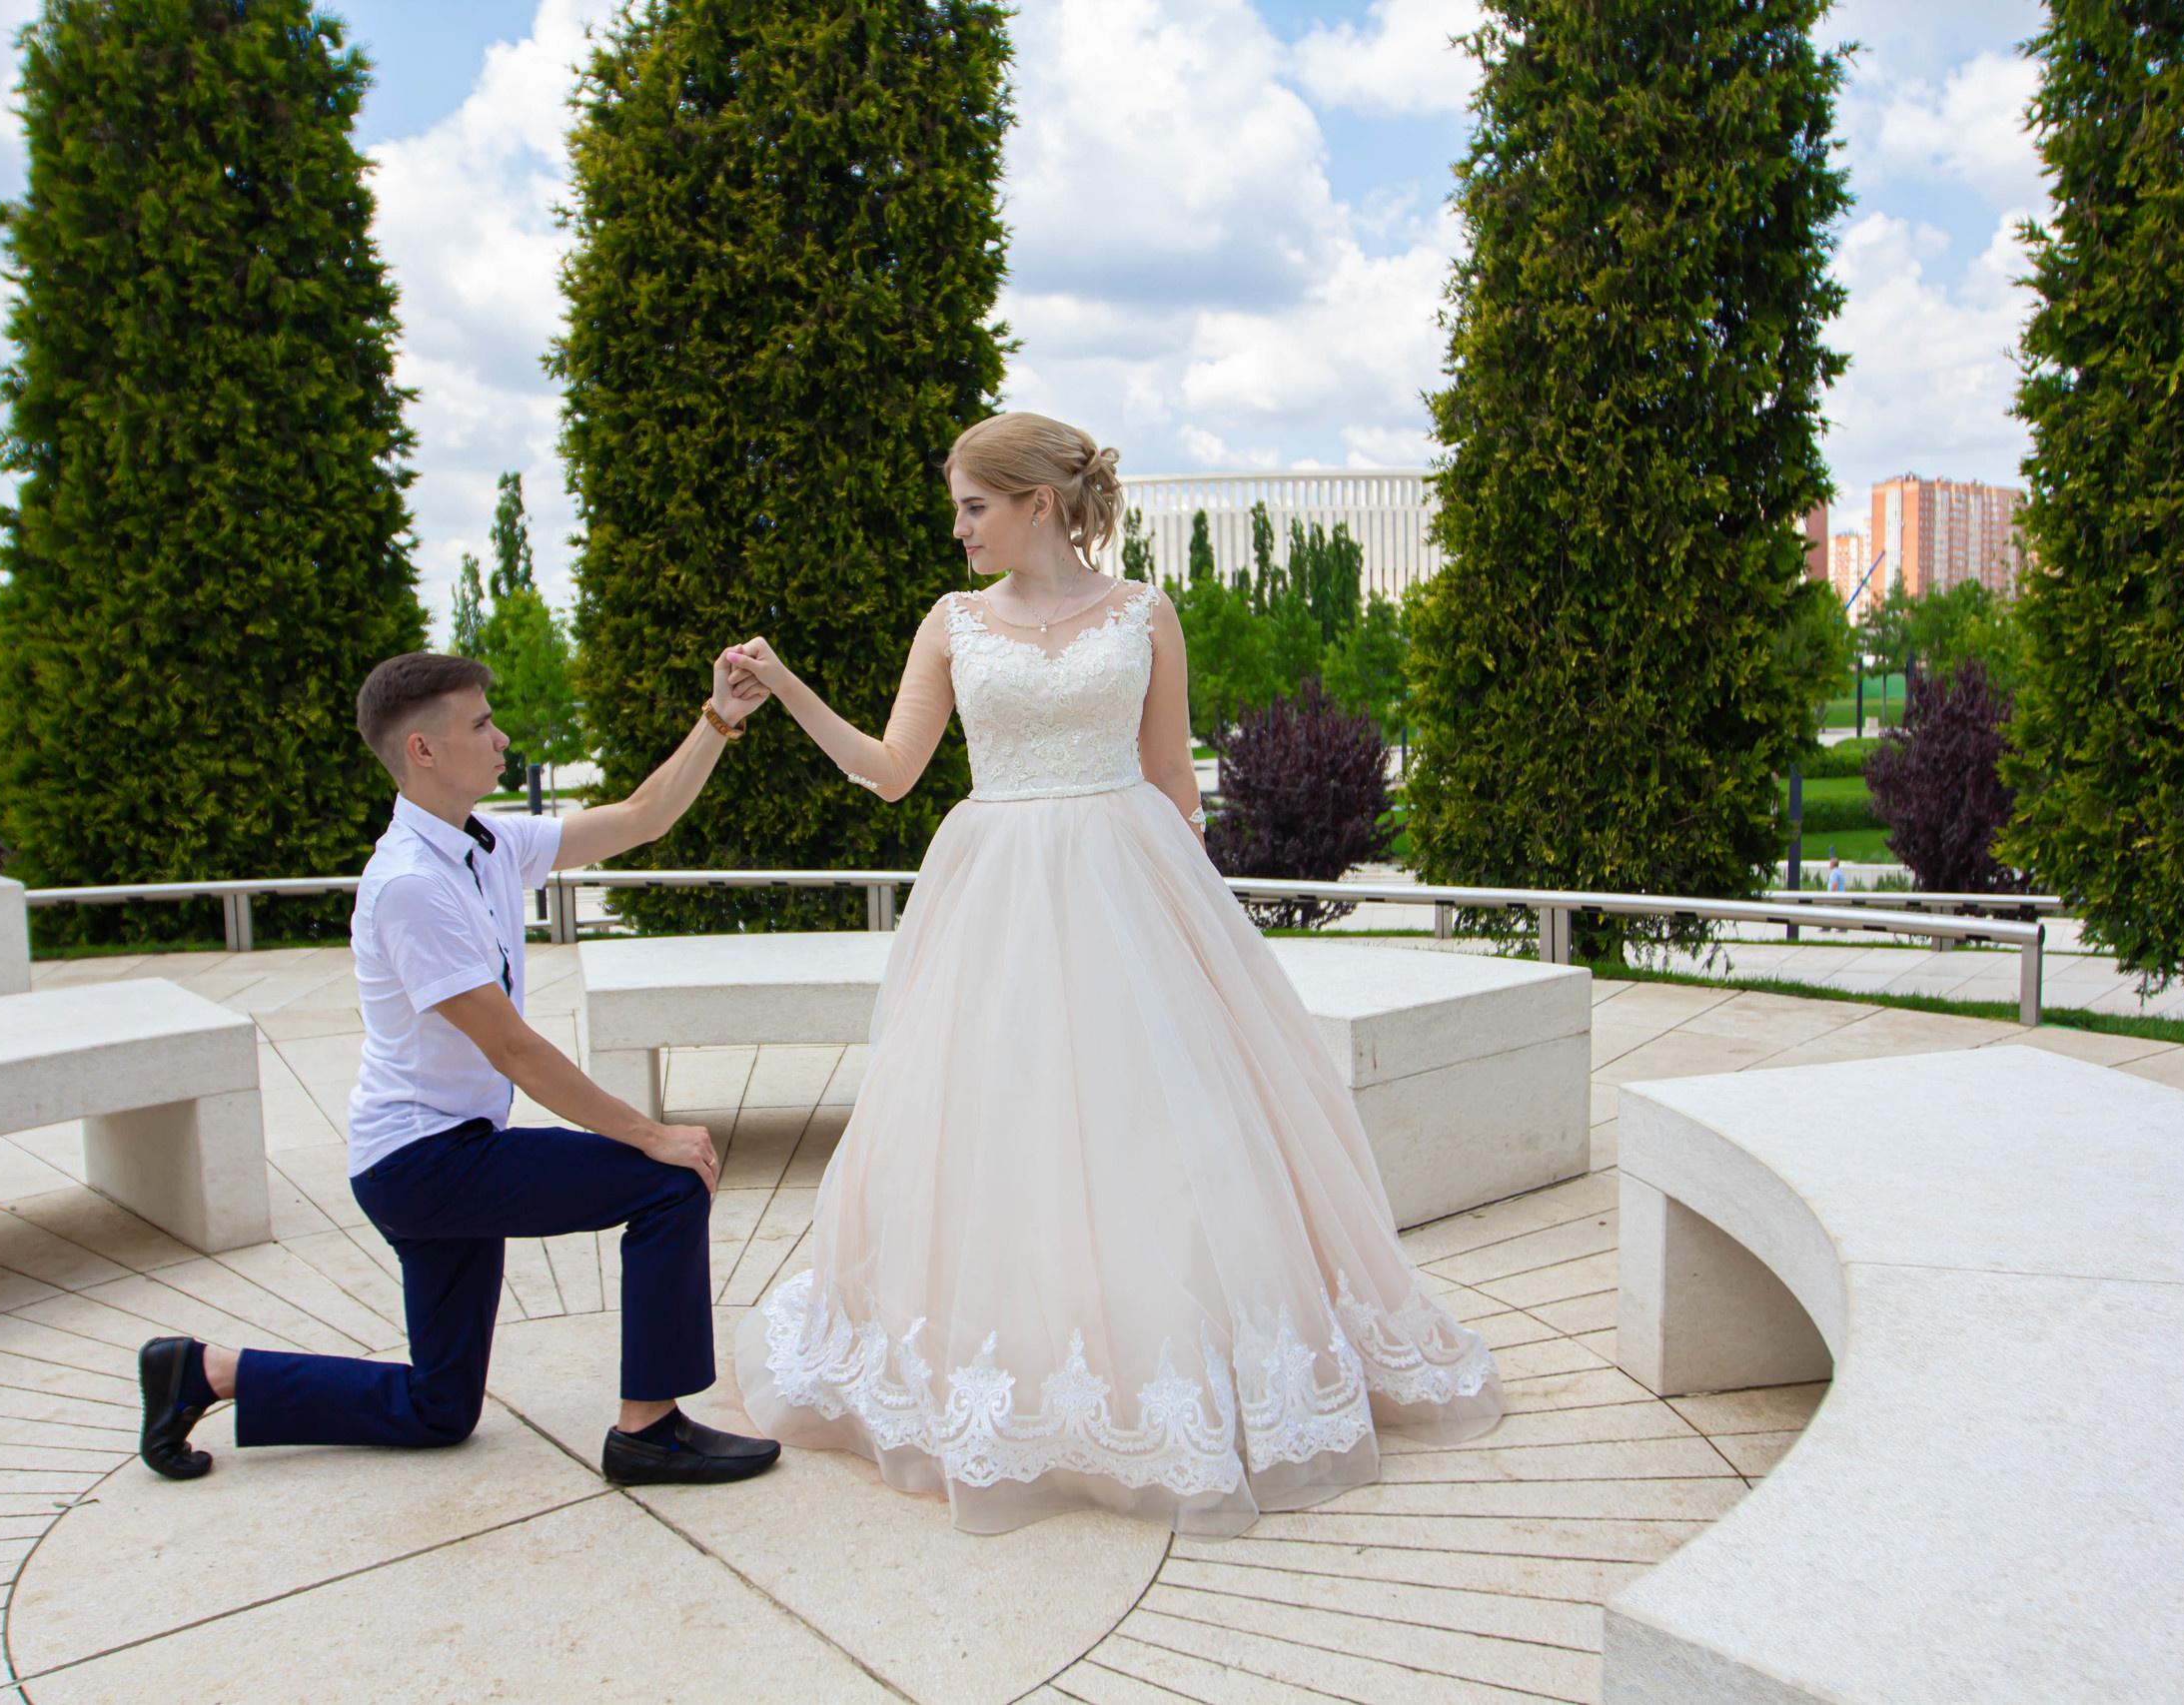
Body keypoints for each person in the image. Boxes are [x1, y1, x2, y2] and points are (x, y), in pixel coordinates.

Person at [719, 414, 1502, 1537]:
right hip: (996, 899)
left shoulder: (1146, 612)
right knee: (1004, 1130)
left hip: (1134, 886)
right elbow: (890, 772)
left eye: (974, 507)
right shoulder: (950, 623)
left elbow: (1173, 777)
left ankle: (1194, 1364)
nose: (959, 530)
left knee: (1160, 1133)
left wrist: (1197, 934)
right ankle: (1027, 1372)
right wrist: (786, 686)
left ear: (1037, 502)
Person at [137, 649, 783, 1488]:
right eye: (480, 723)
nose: (501, 736)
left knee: (439, 1406)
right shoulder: (409, 885)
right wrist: (648, 1133)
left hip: (436, 1156)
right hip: (424, 1161)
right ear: (423, 749)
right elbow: (511, 1047)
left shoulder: (486, 843)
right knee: (668, 1182)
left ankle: (203, 1371)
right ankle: (650, 1431)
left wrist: (720, 717)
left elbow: (642, 816)